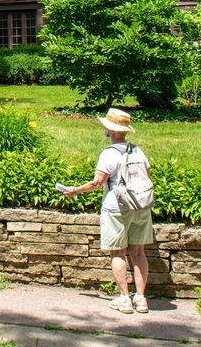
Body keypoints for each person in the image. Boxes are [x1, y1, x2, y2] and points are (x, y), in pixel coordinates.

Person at [63, 107, 153, 314]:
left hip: (117, 207)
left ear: (111, 131)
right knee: (138, 252)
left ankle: (124, 299)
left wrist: (74, 190)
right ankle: (141, 299)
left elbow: (97, 182)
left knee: (118, 252)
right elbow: (147, 175)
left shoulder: (109, 154)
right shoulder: (137, 150)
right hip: (140, 206)